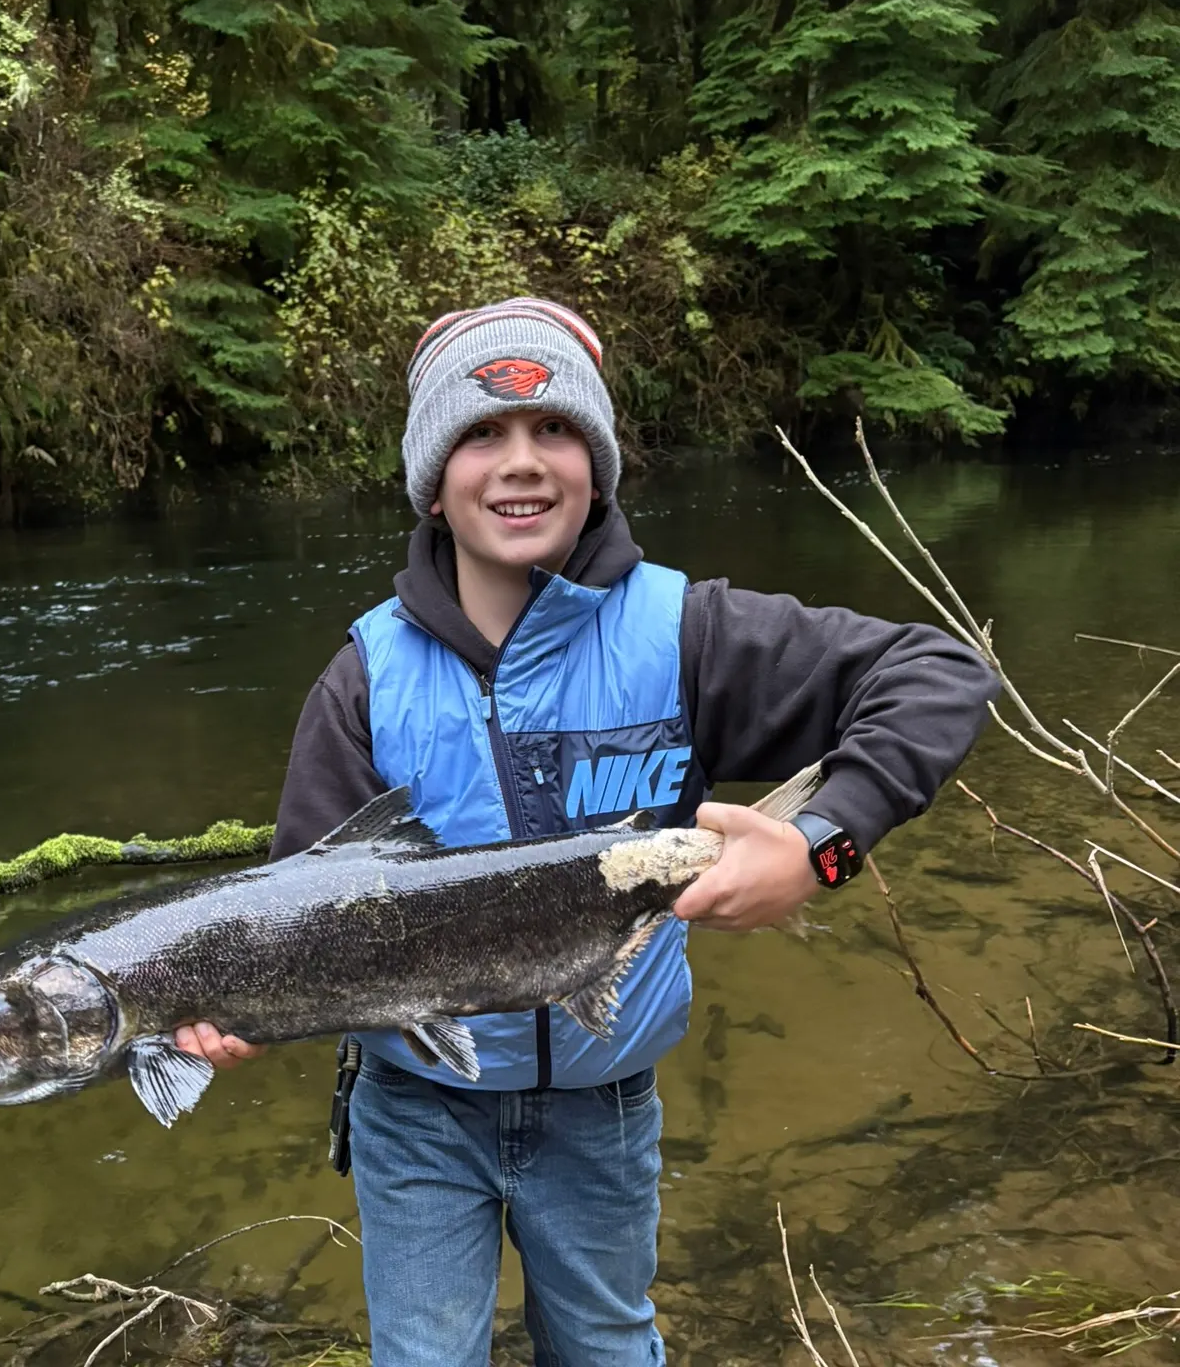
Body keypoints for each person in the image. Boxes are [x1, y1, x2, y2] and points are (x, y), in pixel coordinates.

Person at [176, 298, 998, 1366]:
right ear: (433, 478)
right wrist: (229, 1008)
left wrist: (821, 847)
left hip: (606, 1109)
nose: (520, 463)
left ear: (598, 464)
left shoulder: (689, 633)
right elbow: (291, 908)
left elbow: (940, 674)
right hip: (417, 1108)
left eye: (553, 429)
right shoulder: (363, 680)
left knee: (609, 1348)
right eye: (482, 434)